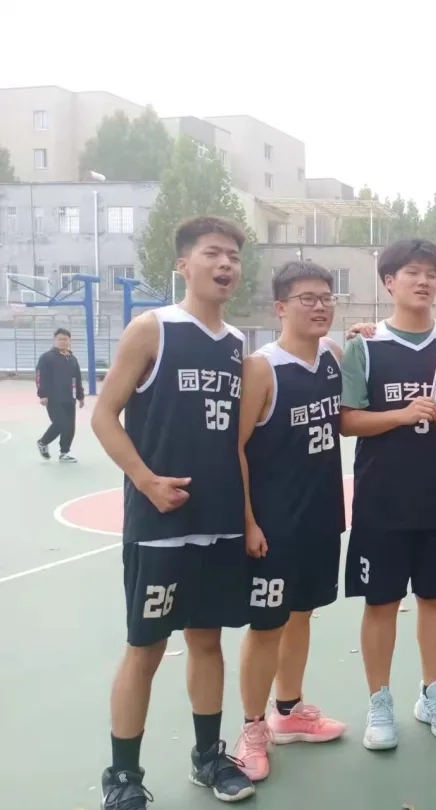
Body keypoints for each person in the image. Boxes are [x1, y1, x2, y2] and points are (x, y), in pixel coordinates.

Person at [90, 216, 256, 808]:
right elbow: (103, 415)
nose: (226, 263)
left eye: (233, 255)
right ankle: (122, 777)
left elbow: (237, 442)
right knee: (147, 646)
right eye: (213, 253)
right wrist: (145, 481)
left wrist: (247, 518)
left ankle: (208, 757)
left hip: (219, 523)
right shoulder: (152, 328)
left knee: (208, 640)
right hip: (161, 525)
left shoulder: (237, 344)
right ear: (183, 264)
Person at [340, 238, 436, 751]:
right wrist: (401, 415)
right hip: (382, 499)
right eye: (412, 272)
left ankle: (433, 694)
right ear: (389, 281)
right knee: (381, 601)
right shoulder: (365, 346)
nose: (423, 281)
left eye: (431, 274)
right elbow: (347, 420)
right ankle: (379, 702)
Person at [232, 261, 348, 782]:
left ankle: (288, 710)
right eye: (307, 298)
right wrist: (248, 521)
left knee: (301, 614)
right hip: (274, 523)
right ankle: (252, 726)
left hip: (321, 516)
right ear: (280, 307)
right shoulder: (262, 368)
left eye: (326, 297)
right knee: (266, 626)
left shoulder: (334, 357)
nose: (320, 306)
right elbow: (234, 449)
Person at [35, 327, 85, 462]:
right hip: (53, 398)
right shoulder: (47, 357)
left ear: (70, 341)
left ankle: (64, 452)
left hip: (70, 398)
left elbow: (77, 378)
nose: (62, 342)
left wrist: (80, 396)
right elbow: (40, 377)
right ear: (54, 340)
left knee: (70, 426)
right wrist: (42, 394)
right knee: (61, 423)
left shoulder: (72, 359)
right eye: (60, 339)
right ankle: (43, 442)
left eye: (65, 339)